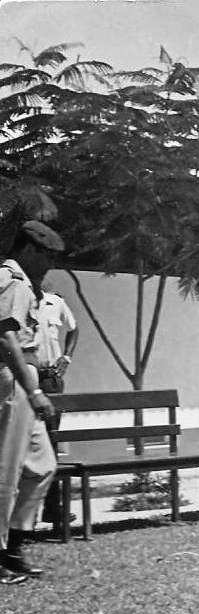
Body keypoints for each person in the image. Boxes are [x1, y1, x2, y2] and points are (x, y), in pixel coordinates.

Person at [0, 221, 60, 584]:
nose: (49, 263)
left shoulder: (24, 283)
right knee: (6, 472)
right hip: (13, 378)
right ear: (27, 249)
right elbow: (6, 337)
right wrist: (33, 390)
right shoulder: (13, 280)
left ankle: (13, 548)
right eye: (46, 255)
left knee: (42, 465)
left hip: (25, 378)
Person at [34, 284, 80, 532]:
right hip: (24, 377)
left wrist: (67, 356)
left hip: (50, 380)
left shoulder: (55, 302)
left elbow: (74, 328)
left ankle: (53, 510)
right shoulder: (15, 299)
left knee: (50, 444)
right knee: (24, 446)